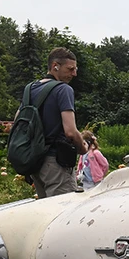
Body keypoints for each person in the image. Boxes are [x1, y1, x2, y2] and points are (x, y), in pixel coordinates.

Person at [21, 48, 88, 198]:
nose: (74, 74)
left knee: (47, 212)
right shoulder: (63, 90)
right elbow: (70, 131)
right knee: (65, 213)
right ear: (55, 66)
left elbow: (19, 119)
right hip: (56, 163)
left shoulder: (30, 89)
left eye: (75, 69)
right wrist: (82, 147)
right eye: (70, 69)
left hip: (35, 162)